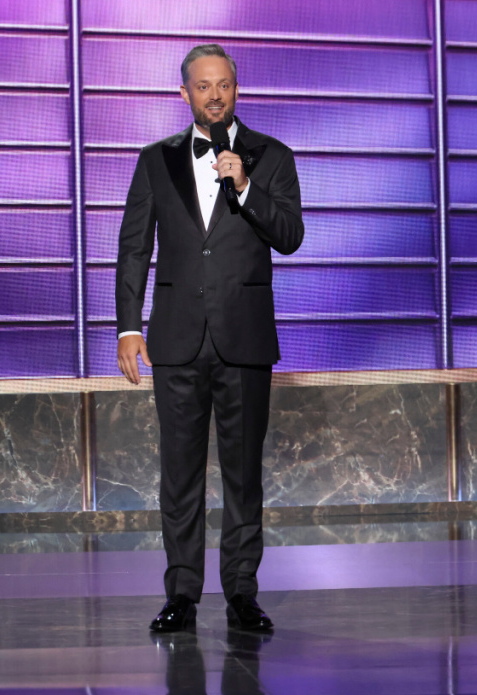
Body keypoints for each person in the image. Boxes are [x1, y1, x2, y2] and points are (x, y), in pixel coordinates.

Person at [115, 44, 304, 632]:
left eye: (224, 85)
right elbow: (133, 249)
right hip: (174, 340)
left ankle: (243, 593)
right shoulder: (154, 161)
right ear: (185, 94)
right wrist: (127, 325)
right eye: (203, 86)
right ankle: (183, 594)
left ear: (237, 91)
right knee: (180, 471)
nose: (215, 95)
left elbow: (291, 235)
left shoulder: (272, 157)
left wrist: (245, 187)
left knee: (244, 473)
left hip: (243, 338)